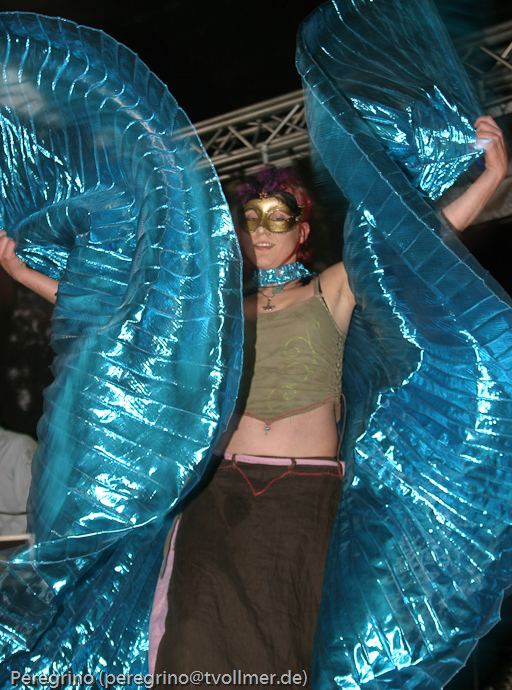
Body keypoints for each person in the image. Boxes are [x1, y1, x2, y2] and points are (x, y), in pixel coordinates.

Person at [4, 116, 505, 684]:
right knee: (193, 643)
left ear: (302, 229)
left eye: (277, 217)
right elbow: (123, 319)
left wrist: (491, 178)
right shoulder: (221, 313)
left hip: (301, 497)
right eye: (251, 219)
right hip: (218, 494)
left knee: (282, 649)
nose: (262, 230)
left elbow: (412, 247)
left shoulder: (332, 289)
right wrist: (24, 273)